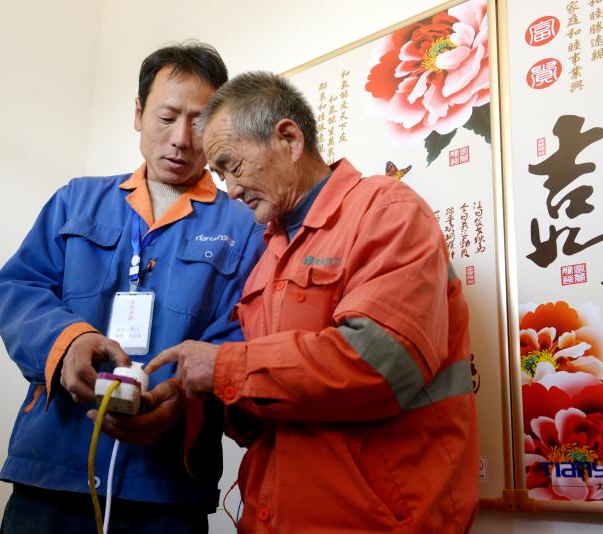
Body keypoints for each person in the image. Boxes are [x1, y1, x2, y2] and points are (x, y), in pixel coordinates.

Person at [148, 72, 479, 533]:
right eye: (221, 177)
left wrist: (224, 368)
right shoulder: (267, 257)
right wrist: (196, 397)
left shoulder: (387, 211)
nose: (232, 191)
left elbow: (381, 365)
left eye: (232, 165)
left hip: (373, 522)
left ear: (288, 139)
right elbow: (266, 405)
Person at [0, 42, 262, 533]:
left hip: (167, 486)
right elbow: (21, 287)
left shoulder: (244, 226)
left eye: (199, 122)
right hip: (54, 466)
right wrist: (69, 341)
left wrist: (182, 396)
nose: (181, 139)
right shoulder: (77, 200)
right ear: (139, 113)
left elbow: (245, 335)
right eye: (167, 117)